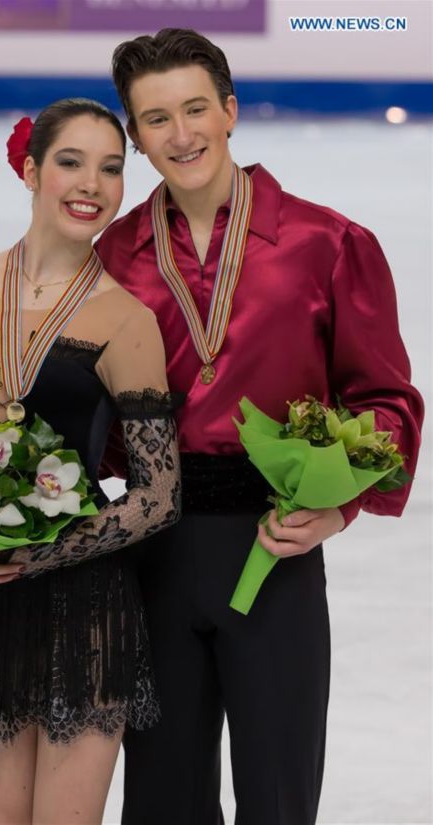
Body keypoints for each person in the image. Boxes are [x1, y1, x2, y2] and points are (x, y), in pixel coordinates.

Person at [93, 29, 424, 825]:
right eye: (157, 118)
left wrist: (337, 507)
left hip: (275, 547)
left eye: (197, 108)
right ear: (135, 137)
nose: (183, 134)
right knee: (163, 798)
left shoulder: (327, 243)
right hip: (154, 553)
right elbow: (87, 415)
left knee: (279, 795)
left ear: (231, 110)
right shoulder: (114, 256)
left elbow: (384, 398)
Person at [0, 98, 182, 825]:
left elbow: (159, 493)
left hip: (86, 605)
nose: (93, 184)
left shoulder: (126, 319)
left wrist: (42, 554)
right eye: (71, 162)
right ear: (30, 170)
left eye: (112, 169)